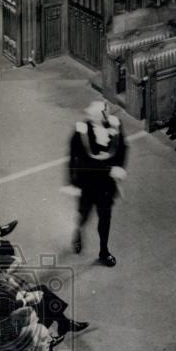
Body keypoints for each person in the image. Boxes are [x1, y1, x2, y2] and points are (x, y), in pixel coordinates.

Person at [64, 100, 127, 267]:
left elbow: (122, 148)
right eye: (101, 114)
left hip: (106, 185)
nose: (106, 117)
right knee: (84, 214)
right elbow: (76, 159)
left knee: (105, 218)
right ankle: (78, 232)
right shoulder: (81, 132)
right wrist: (71, 181)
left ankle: (104, 251)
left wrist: (120, 167)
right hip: (88, 183)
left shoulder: (115, 125)